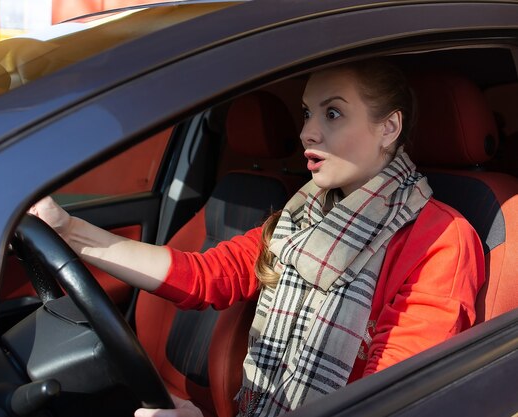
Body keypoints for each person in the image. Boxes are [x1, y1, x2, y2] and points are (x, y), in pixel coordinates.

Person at [29, 59, 485, 417]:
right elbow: (206, 275)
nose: (307, 131)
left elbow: (392, 401)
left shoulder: (440, 239)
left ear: (389, 128)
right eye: (308, 112)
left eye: (333, 113)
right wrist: (68, 229)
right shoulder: (302, 215)